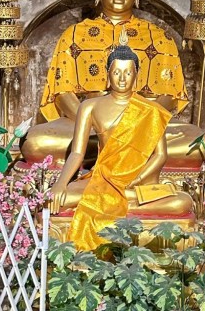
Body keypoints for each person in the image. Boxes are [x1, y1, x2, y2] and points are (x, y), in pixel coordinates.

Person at [20, 0, 203, 166]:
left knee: (200, 143)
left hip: (143, 128)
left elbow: (169, 97)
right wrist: (96, 124)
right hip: (88, 128)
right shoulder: (74, 35)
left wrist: (136, 125)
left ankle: (114, 155)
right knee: (35, 142)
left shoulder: (159, 38)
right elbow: (62, 95)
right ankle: (114, 154)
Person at [49, 43, 194, 251]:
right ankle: (124, 203)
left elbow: (160, 155)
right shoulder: (89, 107)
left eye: (128, 72)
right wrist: (60, 184)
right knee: (60, 199)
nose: (122, 78)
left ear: (137, 76)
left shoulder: (151, 110)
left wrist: (136, 180)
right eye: (117, 72)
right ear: (108, 75)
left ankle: (117, 203)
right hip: (104, 180)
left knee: (182, 202)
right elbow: (77, 152)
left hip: (138, 184)